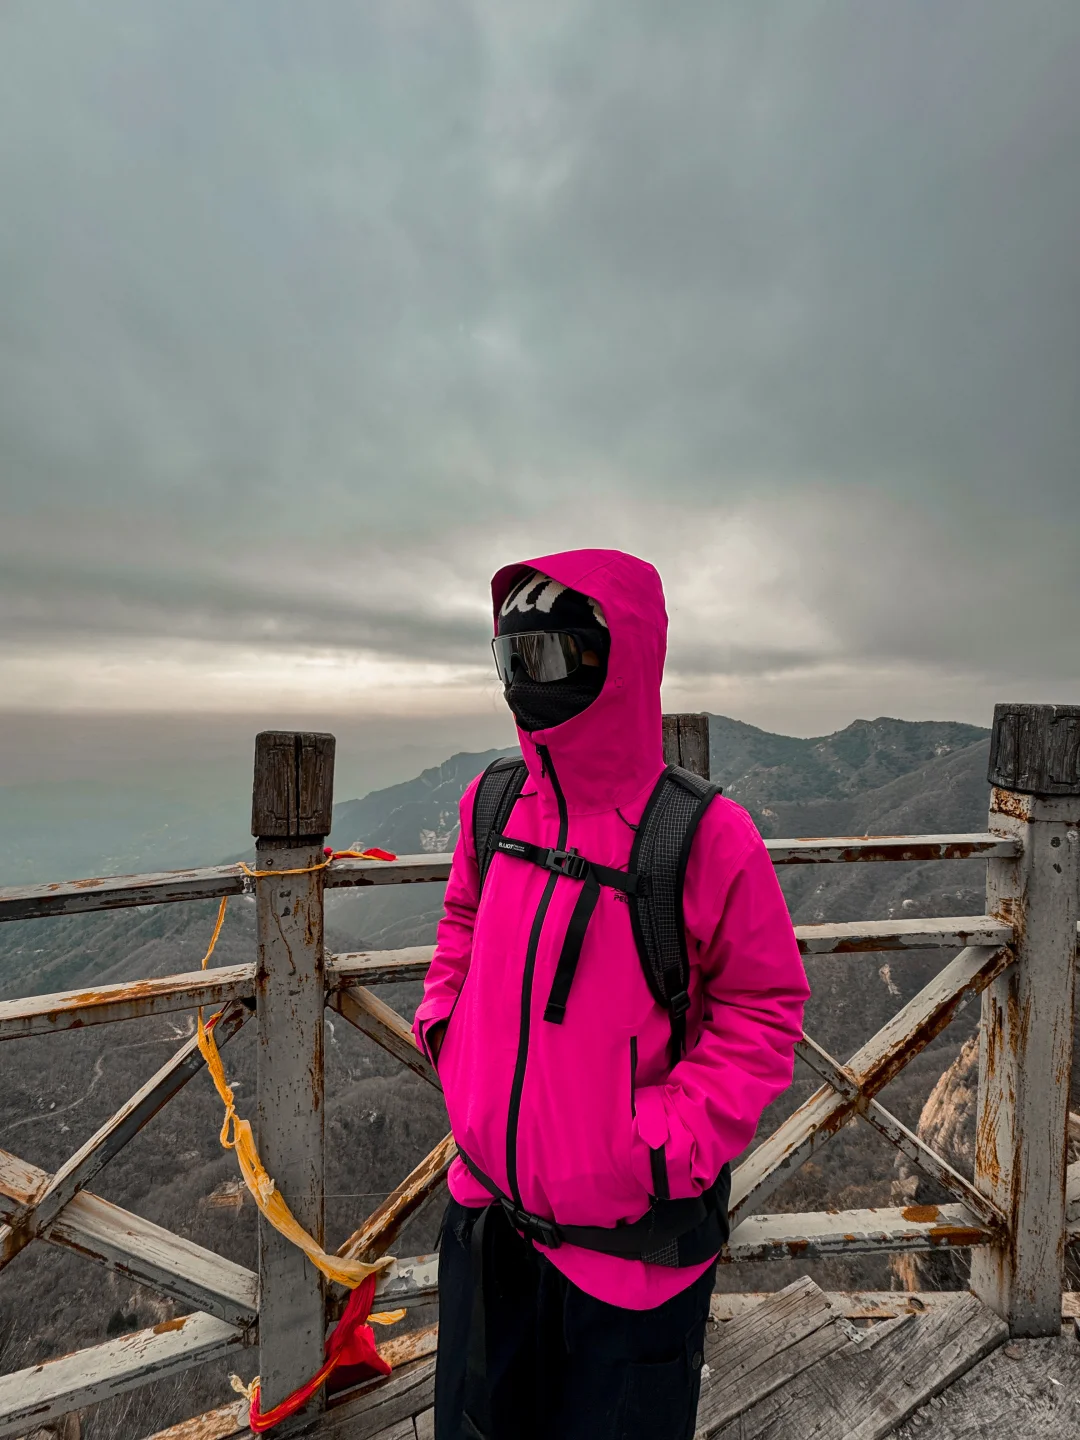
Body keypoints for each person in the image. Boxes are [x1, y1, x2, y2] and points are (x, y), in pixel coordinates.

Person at [413, 549, 809, 1440]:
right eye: (511, 661)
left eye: (547, 657)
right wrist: (448, 1035)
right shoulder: (495, 805)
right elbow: (460, 927)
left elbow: (764, 1008)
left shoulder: (704, 835)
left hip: (634, 1260)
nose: (526, 683)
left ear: (617, 659)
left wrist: (661, 1146)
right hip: (487, 1224)